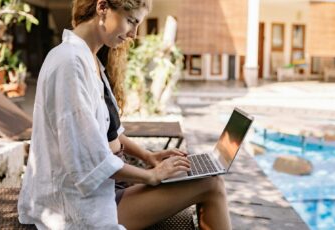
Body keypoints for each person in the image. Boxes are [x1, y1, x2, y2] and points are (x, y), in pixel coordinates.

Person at [18, 0, 232, 229]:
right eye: (131, 21)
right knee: (212, 186)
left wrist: (148, 156)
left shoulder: (89, 60)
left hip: (110, 188)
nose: (133, 34)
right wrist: (150, 175)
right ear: (102, 8)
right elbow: (87, 159)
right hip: (78, 205)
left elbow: (107, 135)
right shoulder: (70, 63)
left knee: (205, 179)